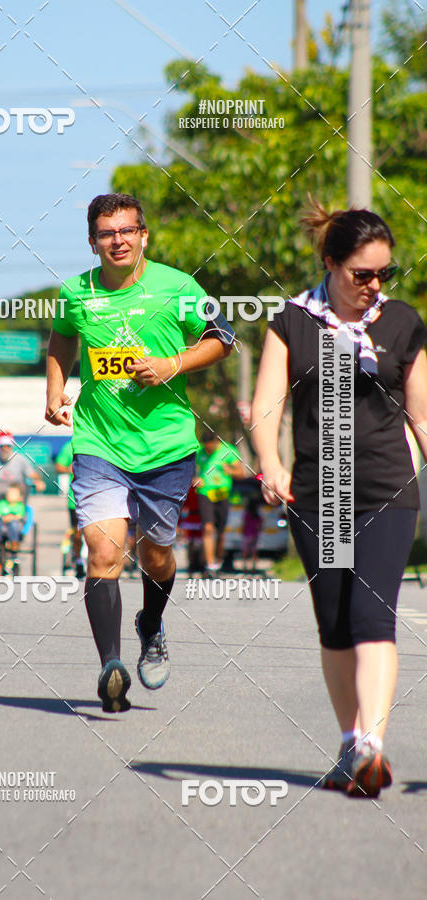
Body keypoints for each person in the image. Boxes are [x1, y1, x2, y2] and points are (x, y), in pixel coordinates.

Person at [251, 200, 427, 798]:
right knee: (334, 625)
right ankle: (350, 742)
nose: (374, 286)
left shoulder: (402, 323)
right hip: (320, 493)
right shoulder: (293, 322)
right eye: (362, 275)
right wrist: (271, 463)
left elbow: (421, 414)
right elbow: (269, 403)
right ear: (330, 263)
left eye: (384, 274)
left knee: (373, 615)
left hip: (385, 487)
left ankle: (373, 743)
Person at [46, 192, 235, 712]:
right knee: (104, 552)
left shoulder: (177, 287)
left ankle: (150, 623)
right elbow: (61, 341)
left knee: (155, 553)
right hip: (98, 443)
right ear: (92, 242)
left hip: (167, 447)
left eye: (127, 231)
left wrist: (172, 364)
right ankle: (111, 666)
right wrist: (54, 392)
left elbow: (224, 337)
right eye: (107, 234)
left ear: (143, 236)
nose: (118, 241)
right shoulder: (75, 293)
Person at [194, 429, 244, 575]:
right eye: (206, 447)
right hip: (206, 493)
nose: (208, 450)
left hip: (222, 494)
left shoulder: (228, 450)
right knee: (208, 528)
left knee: (221, 532)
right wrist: (194, 479)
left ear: (216, 443)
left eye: (210, 447)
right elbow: (189, 469)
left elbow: (241, 473)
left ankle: (217, 561)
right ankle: (209, 566)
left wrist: (231, 471)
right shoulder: (199, 452)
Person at [0, 431, 45, 518]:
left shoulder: (20, 459)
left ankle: (20, 516)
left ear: (12, 447)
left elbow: (32, 474)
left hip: (16, 486)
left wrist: (38, 481)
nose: (5, 449)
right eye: (2, 447)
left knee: (22, 486)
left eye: (8, 446)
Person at [55, 439, 85, 578]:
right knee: (77, 533)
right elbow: (59, 466)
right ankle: (78, 561)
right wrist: (71, 468)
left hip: (98, 498)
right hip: (75, 500)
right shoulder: (70, 445)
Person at [0, 483, 26, 553]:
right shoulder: (2, 503)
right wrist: (2, 517)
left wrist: (12, 518)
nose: (11, 496)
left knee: (14, 524)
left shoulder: (19, 506)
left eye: (14, 494)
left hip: (13, 521)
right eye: (9, 493)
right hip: (1, 521)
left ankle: (14, 542)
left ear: (20, 497)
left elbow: (20, 516)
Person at [241, 494, 263, 573]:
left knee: (245, 552)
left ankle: (244, 566)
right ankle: (253, 567)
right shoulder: (257, 516)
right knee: (254, 552)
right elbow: (260, 525)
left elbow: (244, 524)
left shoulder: (246, 515)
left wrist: (242, 531)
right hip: (255, 535)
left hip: (247, 535)